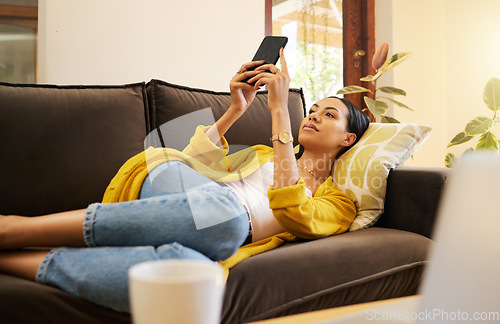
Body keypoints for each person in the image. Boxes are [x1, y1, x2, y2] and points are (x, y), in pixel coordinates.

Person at [0, 49, 370, 312]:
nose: (315, 115)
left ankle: (13, 260)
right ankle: (17, 229)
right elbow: (189, 164)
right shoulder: (262, 153)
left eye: (330, 114)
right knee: (227, 215)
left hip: (213, 228)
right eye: (314, 109)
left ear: (347, 139)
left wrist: (278, 113)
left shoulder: (339, 202)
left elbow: (296, 215)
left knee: (190, 278)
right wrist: (236, 109)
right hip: (176, 186)